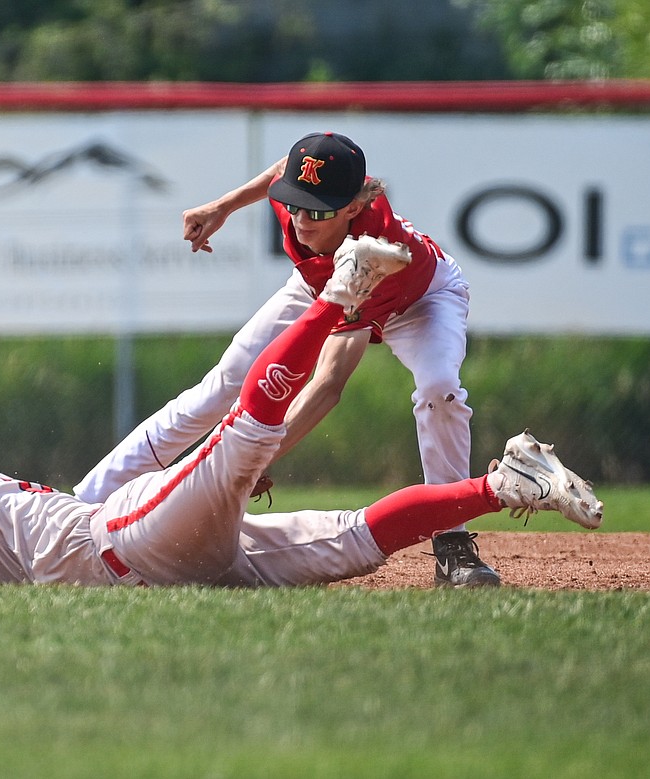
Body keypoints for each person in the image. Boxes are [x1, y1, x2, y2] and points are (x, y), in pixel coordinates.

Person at [0, 240, 603, 588]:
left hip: (133, 537)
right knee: (354, 540)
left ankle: (339, 292)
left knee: (241, 437)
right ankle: (507, 483)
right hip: (195, 568)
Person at [73, 130, 493, 587]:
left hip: (418, 299)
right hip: (320, 285)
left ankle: (452, 543)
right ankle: (82, 503)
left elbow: (329, 383)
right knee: (223, 384)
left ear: (352, 209)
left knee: (438, 389)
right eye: (294, 203)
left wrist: (260, 456)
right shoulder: (303, 200)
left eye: (316, 211)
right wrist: (221, 208)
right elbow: (280, 171)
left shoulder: (377, 249)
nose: (300, 220)